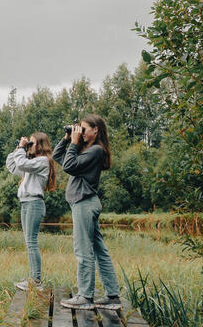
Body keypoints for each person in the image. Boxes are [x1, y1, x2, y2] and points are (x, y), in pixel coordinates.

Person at [53, 114, 122, 311]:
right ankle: (112, 295)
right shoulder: (87, 151)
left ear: (95, 130)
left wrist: (74, 143)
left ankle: (85, 296)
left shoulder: (96, 151)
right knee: (100, 251)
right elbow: (59, 157)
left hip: (84, 203)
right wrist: (67, 139)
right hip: (84, 203)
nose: (80, 133)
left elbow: (68, 166)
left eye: (83, 129)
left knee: (83, 250)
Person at [6, 131, 57, 291]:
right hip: (26, 203)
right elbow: (13, 165)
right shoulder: (32, 163)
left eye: (32, 143)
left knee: (31, 243)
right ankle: (34, 279)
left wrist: (22, 148)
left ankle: (36, 281)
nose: (29, 147)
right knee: (29, 243)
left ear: (41, 145)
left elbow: (21, 164)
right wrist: (18, 148)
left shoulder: (43, 161)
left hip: (34, 203)